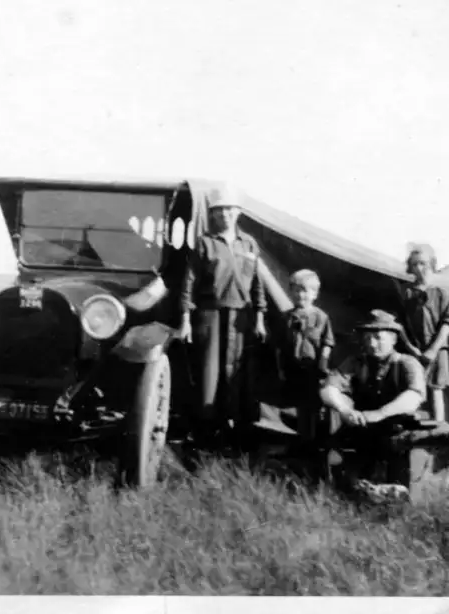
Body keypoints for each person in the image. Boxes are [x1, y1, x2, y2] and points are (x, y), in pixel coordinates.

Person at [179, 184, 268, 447]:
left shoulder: (249, 244)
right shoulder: (205, 243)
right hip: (210, 315)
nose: (225, 215)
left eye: (229, 209)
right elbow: (189, 283)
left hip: (241, 317)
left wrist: (260, 318)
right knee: (209, 373)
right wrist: (185, 319)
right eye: (219, 211)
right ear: (213, 214)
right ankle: (206, 431)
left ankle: (235, 431)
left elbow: (258, 284)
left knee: (237, 372)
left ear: (238, 212)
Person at [319, 309, 429, 486]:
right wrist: (344, 410)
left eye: (378, 338)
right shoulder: (356, 362)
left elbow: (414, 396)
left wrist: (380, 413)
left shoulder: (407, 363)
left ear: (393, 339)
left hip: (396, 429)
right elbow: (329, 388)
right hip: (362, 428)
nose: (371, 343)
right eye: (367, 337)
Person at [276, 269, 335, 443]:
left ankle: (314, 441)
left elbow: (327, 343)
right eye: (296, 290)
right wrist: (280, 369)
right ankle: (300, 440)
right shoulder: (286, 317)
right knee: (297, 405)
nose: (301, 295)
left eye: (306, 290)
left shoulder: (321, 317)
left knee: (313, 406)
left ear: (315, 293)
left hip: (313, 369)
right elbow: (279, 346)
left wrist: (323, 363)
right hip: (292, 369)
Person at [404, 243, 449, 422]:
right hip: (414, 350)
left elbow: (447, 324)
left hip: (438, 350)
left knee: (436, 389)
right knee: (412, 387)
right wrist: (411, 349)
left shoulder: (443, 294)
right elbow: (400, 325)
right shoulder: (406, 293)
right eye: (415, 264)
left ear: (432, 264)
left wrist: (433, 350)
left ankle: (439, 429)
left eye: (423, 263)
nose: (419, 268)